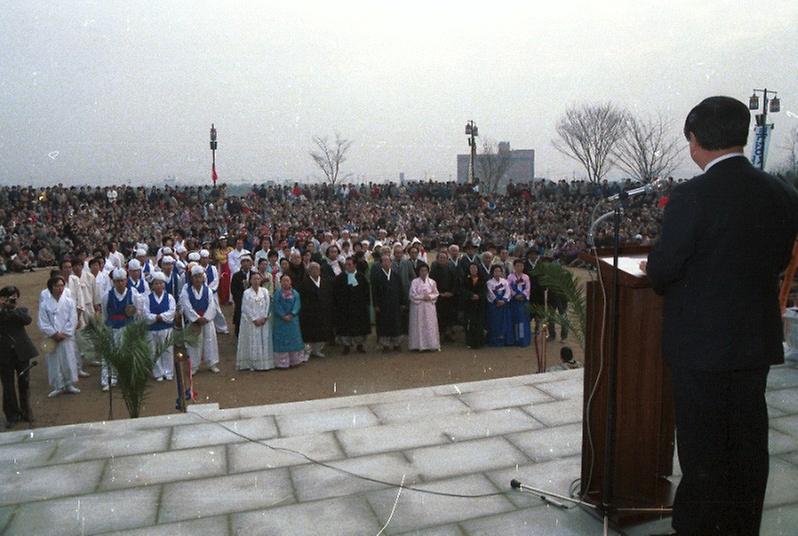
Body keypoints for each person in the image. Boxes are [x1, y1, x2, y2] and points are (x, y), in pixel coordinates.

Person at [642, 96, 798, 536]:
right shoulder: (781, 193)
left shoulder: (691, 196)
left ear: (695, 140)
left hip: (700, 346)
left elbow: (664, 268)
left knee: (703, 451)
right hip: (753, 340)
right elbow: (778, 257)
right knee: (748, 446)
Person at [0, 286, 38, 427]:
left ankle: (27, 411)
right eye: (9, 297)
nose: (12, 299)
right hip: (4, 354)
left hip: (22, 352)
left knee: (24, 383)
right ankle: (11, 415)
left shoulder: (20, 310)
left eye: (15, 297)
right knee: (8, 385)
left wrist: (12, 309)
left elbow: (27, 320)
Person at [37, 276, 80, 398]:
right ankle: (58, 386)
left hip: (66, 337)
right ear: (51, 287)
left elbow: (73, 319)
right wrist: (54, 333)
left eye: (62, 285)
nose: (60, 288)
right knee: (54, 361)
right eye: (57, 286)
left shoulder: (69, 302)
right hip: (52, 337)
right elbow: (43, 322)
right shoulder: (45, 304)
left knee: (68, 359)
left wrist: (65, 333)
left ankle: (69, 384)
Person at [102, 268, 140, 390]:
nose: (120, 283)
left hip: (127, 327)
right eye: (117, 281)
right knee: (111, 353)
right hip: (112, 327)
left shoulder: (133, 294)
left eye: (122, 281)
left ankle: (128, 377)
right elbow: (104, 313)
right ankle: (109, 379)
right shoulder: (107, 295)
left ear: (126, 281)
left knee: (128, 353)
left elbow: (137, 311)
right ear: (113, 282)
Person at [179, 265, 221, 374]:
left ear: (203, 277)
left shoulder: (208, 291)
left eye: (200, 276)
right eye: (195, 277)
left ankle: (212, 363)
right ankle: (193, 365)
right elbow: (186, 306)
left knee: (210, 340)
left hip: (207, 320)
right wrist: (196, 318)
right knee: (194, 343)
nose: (198, 279)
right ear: (191, 278)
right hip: (194, 322)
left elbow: (212, 305)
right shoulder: (186, 291)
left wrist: (206, 318)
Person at [236, 272, 274, 370]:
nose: (256, 281)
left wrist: (265, 317)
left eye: (258, 279)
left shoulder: (265, 291)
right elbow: (245, 307)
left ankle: (264, 363)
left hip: (263, 321)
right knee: (252, 340)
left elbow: (268, 305)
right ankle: (252, 363)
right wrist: (254, 319)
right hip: (251, 322)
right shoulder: (247, 293)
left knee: (263, 340)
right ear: (250, 281)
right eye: (254, 279)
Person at [333, 257, 371, 354]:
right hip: (344, 308)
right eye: (346, 264)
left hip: (359, 308)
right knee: (345, 328)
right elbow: (336, 293)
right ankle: (346, 345)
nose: (347, 266)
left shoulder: (361, 277)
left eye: (349, 264)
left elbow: (366, 292)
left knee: (360, 327)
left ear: (354, 265)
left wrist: (366, 304)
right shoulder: (339, 278)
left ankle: (360, 345)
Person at [143, 272, 176, 381]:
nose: (158, 286)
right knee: (154, 351)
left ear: (164, 285)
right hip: (152, 329)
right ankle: (158, 373)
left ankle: (168, 371)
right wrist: (155, 318)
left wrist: (161, 317)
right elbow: (145, 313)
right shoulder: (147, 298)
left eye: (160, 283)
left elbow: (172, 311)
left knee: (167, 350)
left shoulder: (169, 297)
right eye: (156, 283)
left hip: (166, 328)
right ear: (152, 285)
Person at [370, 253, 404, 353]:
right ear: (380, 263)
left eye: (388, 261)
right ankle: (385, 345)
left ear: (391, 263)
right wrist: (376, 305)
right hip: (382, 305)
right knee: (384, 325)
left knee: (396, 324)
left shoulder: (396, 276)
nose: (386, 263)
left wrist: (402, 302)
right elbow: (374, 292)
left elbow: (400, 290)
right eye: (384, 261)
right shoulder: (377, 276)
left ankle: (396, 344)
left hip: (394, 304)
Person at [298, 262, 332, 359]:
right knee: (309, 333)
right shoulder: (304, 283)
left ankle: (317, 350)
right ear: (309, 271)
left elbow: (328, 295)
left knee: (321, 332)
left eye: (317, 269)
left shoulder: (325, 281)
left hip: (323, 310)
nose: (316, 271)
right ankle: (307, 351)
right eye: (313, 269)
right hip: (309, 312)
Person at [272, 274, 305, 368]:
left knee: (293, 338)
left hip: (293, 320)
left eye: (288, 280)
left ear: (290, 282)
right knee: (282, 339)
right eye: (284, 280)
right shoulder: (277, 293)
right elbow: (276, 305)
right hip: (280, 321)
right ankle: (282, 362)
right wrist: (283, 315)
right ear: (280, 282)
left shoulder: (295, 293)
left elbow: (297, 304)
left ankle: (295, 361)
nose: (286, 282)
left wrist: (292, 314)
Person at [408, 263, 440, 351]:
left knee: (429, 324)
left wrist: (430, 297)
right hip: (418, 307)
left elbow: (436, 293)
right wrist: (422, 297)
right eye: (422, 270)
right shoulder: (414, 282)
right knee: (418, 324)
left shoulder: (432, 282)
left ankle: (431, 345)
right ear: (418, 272)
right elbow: (412, 295)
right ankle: (417, 345)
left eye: (425, 270)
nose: (424, 272)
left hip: (429, 306)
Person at [429, 251, 459, 342]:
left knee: (450, 316)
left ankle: (448, 333)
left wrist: (451, 292)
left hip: (450, 296)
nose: (442, 259)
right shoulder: (434, 270)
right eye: (440, 258)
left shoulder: (452, 268)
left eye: (444, 258)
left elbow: (456, 282)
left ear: (447, 259)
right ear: (437, 259)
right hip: (439, 297)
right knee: (439, 317)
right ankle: (440, 335)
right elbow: (431, 284)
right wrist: (438, 293)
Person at [199, 249, 229, 335]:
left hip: (212, 293)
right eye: (203, 258)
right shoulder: (198, 268)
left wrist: (210, 290)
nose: (204, 260)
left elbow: (216, 280)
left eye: (206, 258)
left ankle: (222, 327)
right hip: (201, 293)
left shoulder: (212, 268)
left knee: (217, 310)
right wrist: (203, 290)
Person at [486, 265, 514, 346]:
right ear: (492, 272)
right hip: (494, 305)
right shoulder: (489, 282)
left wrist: (504, 300)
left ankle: (506, 340)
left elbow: (508, 291)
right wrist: (496, 300)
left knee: (505, 322)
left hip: (504, 304)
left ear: (501, 272)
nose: (497, 273)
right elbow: (489, 293)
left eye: (499, 271)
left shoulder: (505, 281)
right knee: (495, 322)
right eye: (495, 271)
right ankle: (495, 341)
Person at [507, 259, 532, 347]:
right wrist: (514, 295)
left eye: (521, 266)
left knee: (523, 320)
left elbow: (528, 288)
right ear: (514, 267)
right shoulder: (510, 277)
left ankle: (523, 339)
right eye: (517, 266)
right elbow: (508, 287)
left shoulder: (526, 277)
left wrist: (523, 295)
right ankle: (514, 339)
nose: (519, 268)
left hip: (523, 301)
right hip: (514, 302)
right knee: (515, 319)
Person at [462, 263, 486, 348]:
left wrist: (479, 296)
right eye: (471, 268)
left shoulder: (482, 279)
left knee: (479, 323)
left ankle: (479, 342)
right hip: (469, 304)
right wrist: (471, 295)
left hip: (479, 304)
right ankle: (470, 342)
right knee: (470, 323)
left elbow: (484, 290)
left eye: (475, 268)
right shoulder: (465, 279)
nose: (473, 270)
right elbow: (463, 289)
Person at [231, 253, 255, 337]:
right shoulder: (236, 276)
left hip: (253, 301)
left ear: (251, 263)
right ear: (241, 263)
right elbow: (233, 290)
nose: (246, 263)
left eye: (247, 261)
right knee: (240, 319)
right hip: (240, 301)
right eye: (243, 261)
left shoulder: (254, 275)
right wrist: (240, 300)